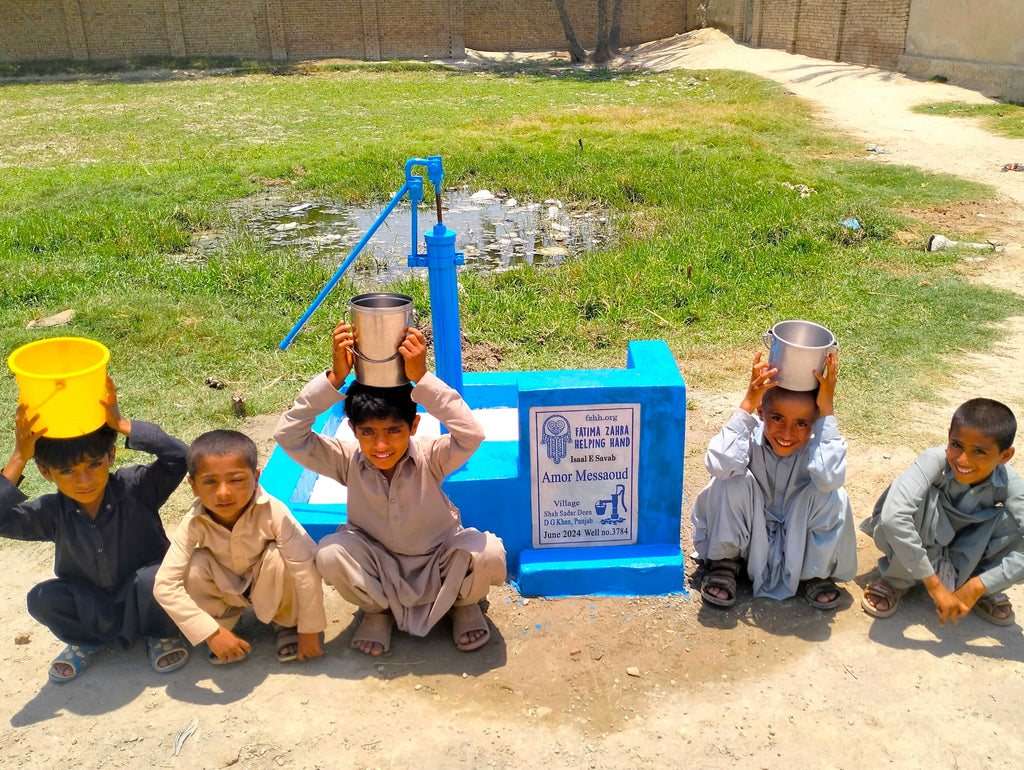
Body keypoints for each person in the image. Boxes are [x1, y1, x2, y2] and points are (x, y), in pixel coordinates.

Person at [274, 322, 506, 656]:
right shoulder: (347, 460)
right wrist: (334, 380)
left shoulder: (430, 455)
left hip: (437, 561)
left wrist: (422, 379)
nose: (381, 445)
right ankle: (377, 610)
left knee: (488, 552)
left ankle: (464, 604)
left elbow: (471, 435)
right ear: (353, 429)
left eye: (393, 431)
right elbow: (289, 436)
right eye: (368, 433)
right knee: (329, 554)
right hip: (377, 566)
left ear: (413, 426)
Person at [0, 377, 189, 682]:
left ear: (111, 456)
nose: (84, 481)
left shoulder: (136, 487)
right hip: (92, 607)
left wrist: (121, 423)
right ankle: (85, 641)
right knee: (42, 598)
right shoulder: (50, 512)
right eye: (67, 471)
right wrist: (20, 455)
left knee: (156, 577)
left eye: (93, 465)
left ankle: (160, 633)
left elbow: (180, 457)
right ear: (46, 473)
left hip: (147, 597)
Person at [690, 351, 856, 608]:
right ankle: (725, 563)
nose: (787, 433)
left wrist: (827, 412)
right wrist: (746, 404)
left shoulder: (817, 446)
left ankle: (814, 573)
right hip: (746, 541)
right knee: (731, 479)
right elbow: (719, 465)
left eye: (802, 423)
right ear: (761, 413)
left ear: (814, 423)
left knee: (831, 492)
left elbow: (830, 478)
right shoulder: (748, 437)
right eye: (777, 418)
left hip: (797, 541)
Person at [154, 430, 326, 665]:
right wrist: (210, 632)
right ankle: (223, 630)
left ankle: (288, 625)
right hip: (225, 590)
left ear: (256, 477)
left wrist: (309, 629)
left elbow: (305, 568)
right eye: (210, 482)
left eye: (236, 480)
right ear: (193, 486)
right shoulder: (193, 522)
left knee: (283, 557)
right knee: (193, 566)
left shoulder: (274, 511)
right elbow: (164, 585)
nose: (223, 492)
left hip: (268, 584)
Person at [861, 398, 1024, 626]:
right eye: (956, 445)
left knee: (1014, 523)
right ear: (948, 435)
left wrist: (980, 584)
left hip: (966, 552)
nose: (963, 459)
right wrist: (935, 586)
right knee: (916, 503)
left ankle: (982, 587)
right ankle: (897, 580)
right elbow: (892, 518)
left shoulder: (1009, 481)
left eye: (979, 451)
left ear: (1005, 456)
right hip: (926, 539)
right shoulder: (934, 460)